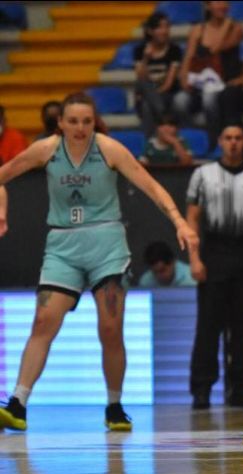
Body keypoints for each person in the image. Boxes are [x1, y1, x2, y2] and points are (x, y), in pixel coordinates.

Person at [0, 92, 199, 432]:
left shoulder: (109, 149)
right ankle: (18, 403)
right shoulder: (45, 150)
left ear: (95, 122)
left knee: (110, 328)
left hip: (106, 244)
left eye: (86, 121)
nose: (80, 128)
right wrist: (2, 209)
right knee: (43, 321)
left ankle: (115, 406)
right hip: (62, 244)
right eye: (73, 121)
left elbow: (152, 187)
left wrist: (180, 222)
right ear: (60, 123)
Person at [186, 125, 243, 410]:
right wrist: (195, 259)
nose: (233, 143)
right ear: (220, 142)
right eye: (228, 138)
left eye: (238, 138)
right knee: (208, 327)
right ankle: (201, 390)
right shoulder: (202, 175)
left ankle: (241, 389)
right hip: (214, 253)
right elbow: (192, 220)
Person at [175, 1, 243, 148]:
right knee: (180, 100)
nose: (222, 6)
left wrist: (226, 24)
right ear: (208, 6)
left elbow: (215, 48)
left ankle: (215, 141)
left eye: (225, 2)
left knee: (209, 98)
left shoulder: (236, 28)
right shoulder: (198, 30)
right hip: (199, 81)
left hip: (223, 83)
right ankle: (193, 140)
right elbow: (189, 56)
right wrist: (184, 78)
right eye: (217, 2)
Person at [134, 11, 183, 137]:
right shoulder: (140, 50)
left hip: (167, 95)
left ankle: (150, 142)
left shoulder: (174, 50)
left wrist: (154, 96)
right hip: (148, 92)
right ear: (150, 31)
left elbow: (169, 84)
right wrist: (145, 58)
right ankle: (163, 117)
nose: (164, 31)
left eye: (167, 27)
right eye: (160, 27)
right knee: (143, 85)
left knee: (147, 105)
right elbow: (141, 78)